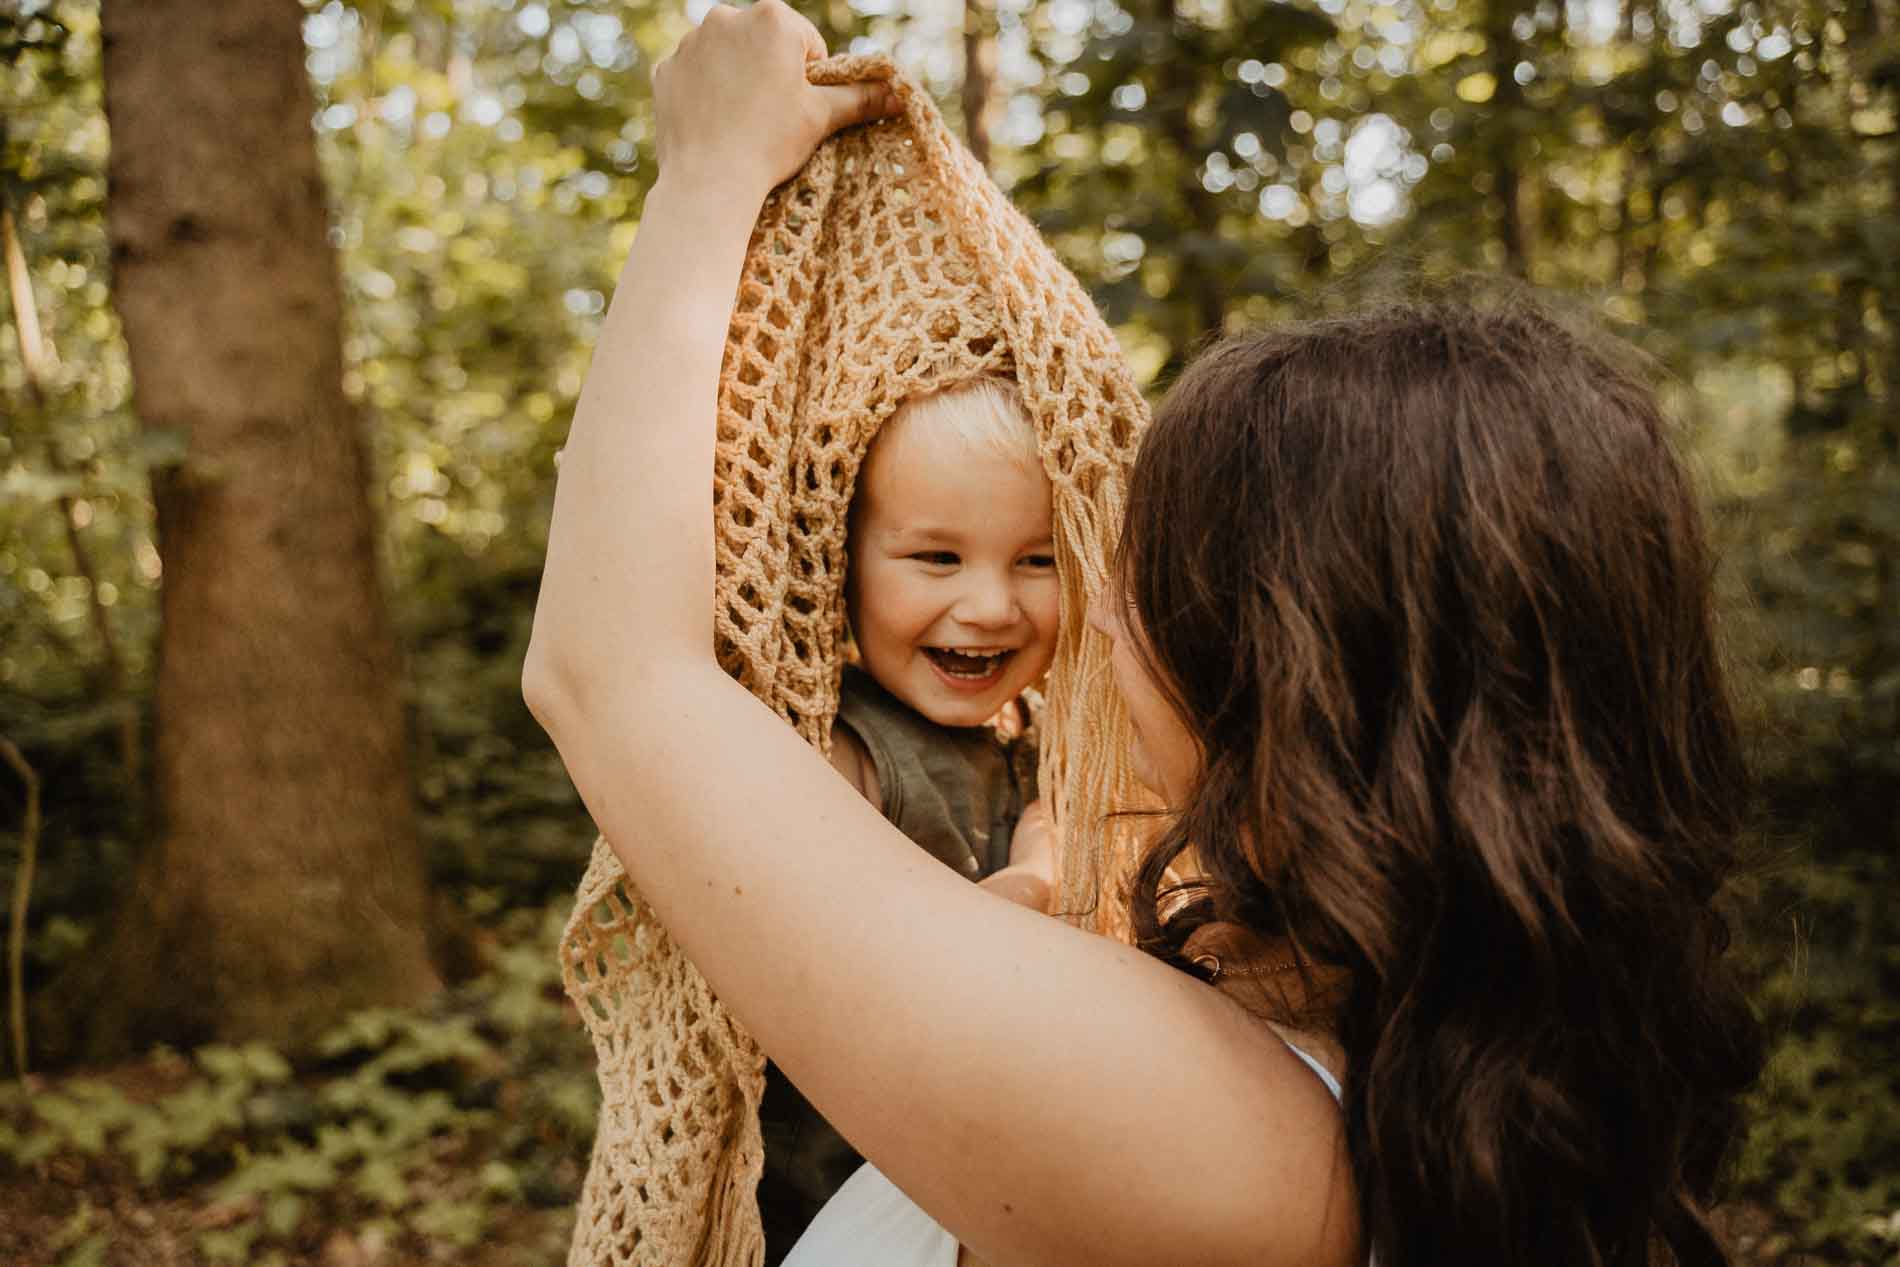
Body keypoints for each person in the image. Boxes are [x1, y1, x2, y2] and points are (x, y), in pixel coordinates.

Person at [524, 5, 1765, 1265]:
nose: (1102, 602)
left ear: (1289, 679)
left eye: (1150, 565)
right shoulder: (1447, 1051)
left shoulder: (1218, 1148)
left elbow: (612, 669)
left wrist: (707, 172)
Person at [759, 379, 1062, 1259]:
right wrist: (1038, 880)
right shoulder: (843, 753)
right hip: (841, 1211)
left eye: (1036, 560)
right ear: (842, 566)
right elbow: (882, 983)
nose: (992, 605)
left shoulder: (1037, 727)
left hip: (977, 1192)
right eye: (937, 558)